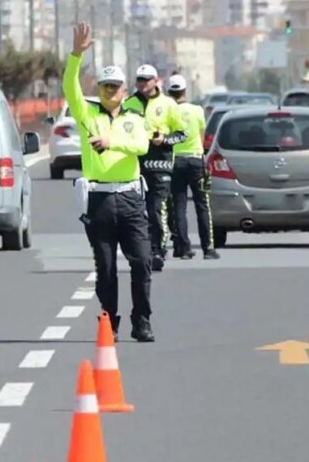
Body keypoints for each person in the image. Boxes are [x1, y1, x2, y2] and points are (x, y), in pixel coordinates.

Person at [63, 22, 155, 342]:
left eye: (115, 86)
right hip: (100, 200)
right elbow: (69, 87)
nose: (110, 91)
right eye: (104, 86)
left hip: (130, 198)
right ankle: (108, 322)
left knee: (142, 261)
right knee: (106, 267)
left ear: (125, 92)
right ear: (98, 88)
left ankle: (141, 319)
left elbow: (142, 147)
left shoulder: (133, 120)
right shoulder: (88, 115)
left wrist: (112, 143)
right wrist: (76, 53)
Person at [123, 63, 186, 272]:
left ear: (156, 80)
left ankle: (158, 250)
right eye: (139, 80)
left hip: (161, 165)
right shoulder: (129, 104)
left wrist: (164, 139)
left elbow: (182, 134)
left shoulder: (168, 104)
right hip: (135, 166)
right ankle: (142, 250)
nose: (143, 84)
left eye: (147, 80)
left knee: (157, 208)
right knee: (137, 212)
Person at [166, 75, 219, 260]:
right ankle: (208, 248)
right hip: (196, 161)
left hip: (175, 162)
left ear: (168, 92)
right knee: (202, 204)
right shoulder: (197, 110)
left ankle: (183, 247)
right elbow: (202, 135)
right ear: (184, 91)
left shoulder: (168, 111)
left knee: (178, 205)